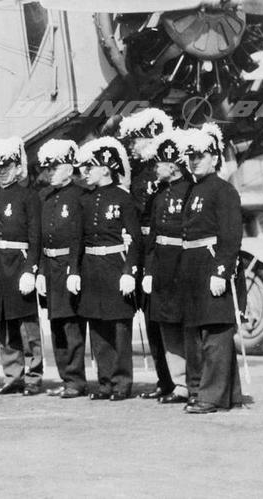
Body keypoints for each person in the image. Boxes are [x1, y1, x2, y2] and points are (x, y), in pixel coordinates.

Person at [178, 124, 243, 414]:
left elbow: (231, 235)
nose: (194, 161)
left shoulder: (224, 191)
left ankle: (210, 396)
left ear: (215, 158)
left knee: (216, 334)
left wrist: (222, 271)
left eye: (200, 156)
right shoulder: (193, 190)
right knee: (195, 334)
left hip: (211, 264)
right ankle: (214, 392)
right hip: (192, 267)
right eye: (190, 156)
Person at [76, 136, 142, 401]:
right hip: (91, 268)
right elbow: (79, 239)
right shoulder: (86, 200)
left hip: (115, 266)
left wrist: (129, 271)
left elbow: (135, 238)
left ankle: (122, 382)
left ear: (105, 168)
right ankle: (105, 382)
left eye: (90, 167)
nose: (85, 172)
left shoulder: (123, 198)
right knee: (98, 327)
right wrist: (74, 271)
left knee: (119, 328)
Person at [118, 108, 175, 400]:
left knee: (166, 318)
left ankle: (177, 380)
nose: (131, 145)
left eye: (135, 139)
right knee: (150, 318)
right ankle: (164, 380)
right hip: (141, 249)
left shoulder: (169, 168)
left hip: (163, 250)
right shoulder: (137, 172)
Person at [0, 137, 43, 395]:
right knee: (4, 324)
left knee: (27, 326)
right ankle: (13, 375)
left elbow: (35, 237)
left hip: (19, 263)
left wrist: (30, 269)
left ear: (18, 167)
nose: (2, 170)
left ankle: (34, 376)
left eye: (7, 165)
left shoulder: (29, 197)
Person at [143, 129, 197, 405]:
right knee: (167, 324)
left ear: (173, 165)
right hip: (162, 265)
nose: (156, 168)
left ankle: (193, 381)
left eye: (160, 163)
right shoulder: (159, 195)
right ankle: (179, 383)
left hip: (182, 264)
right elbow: (153, 236)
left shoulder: (190, 191)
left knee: (185, 324)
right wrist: (149, 270)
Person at [35, 139, 87, 398]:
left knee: (72, 325)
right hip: (50, 265)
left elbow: (80, 237)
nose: (50, 172)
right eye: (48, 168)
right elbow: (39, 238)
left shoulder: (80, 196)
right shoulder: (44, 197)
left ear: (69, 167)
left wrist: (75, 270)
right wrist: (40, 271)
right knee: (55, 323)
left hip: (69, 265)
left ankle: (76, 379)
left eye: (55, 167)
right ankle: (65, 376)